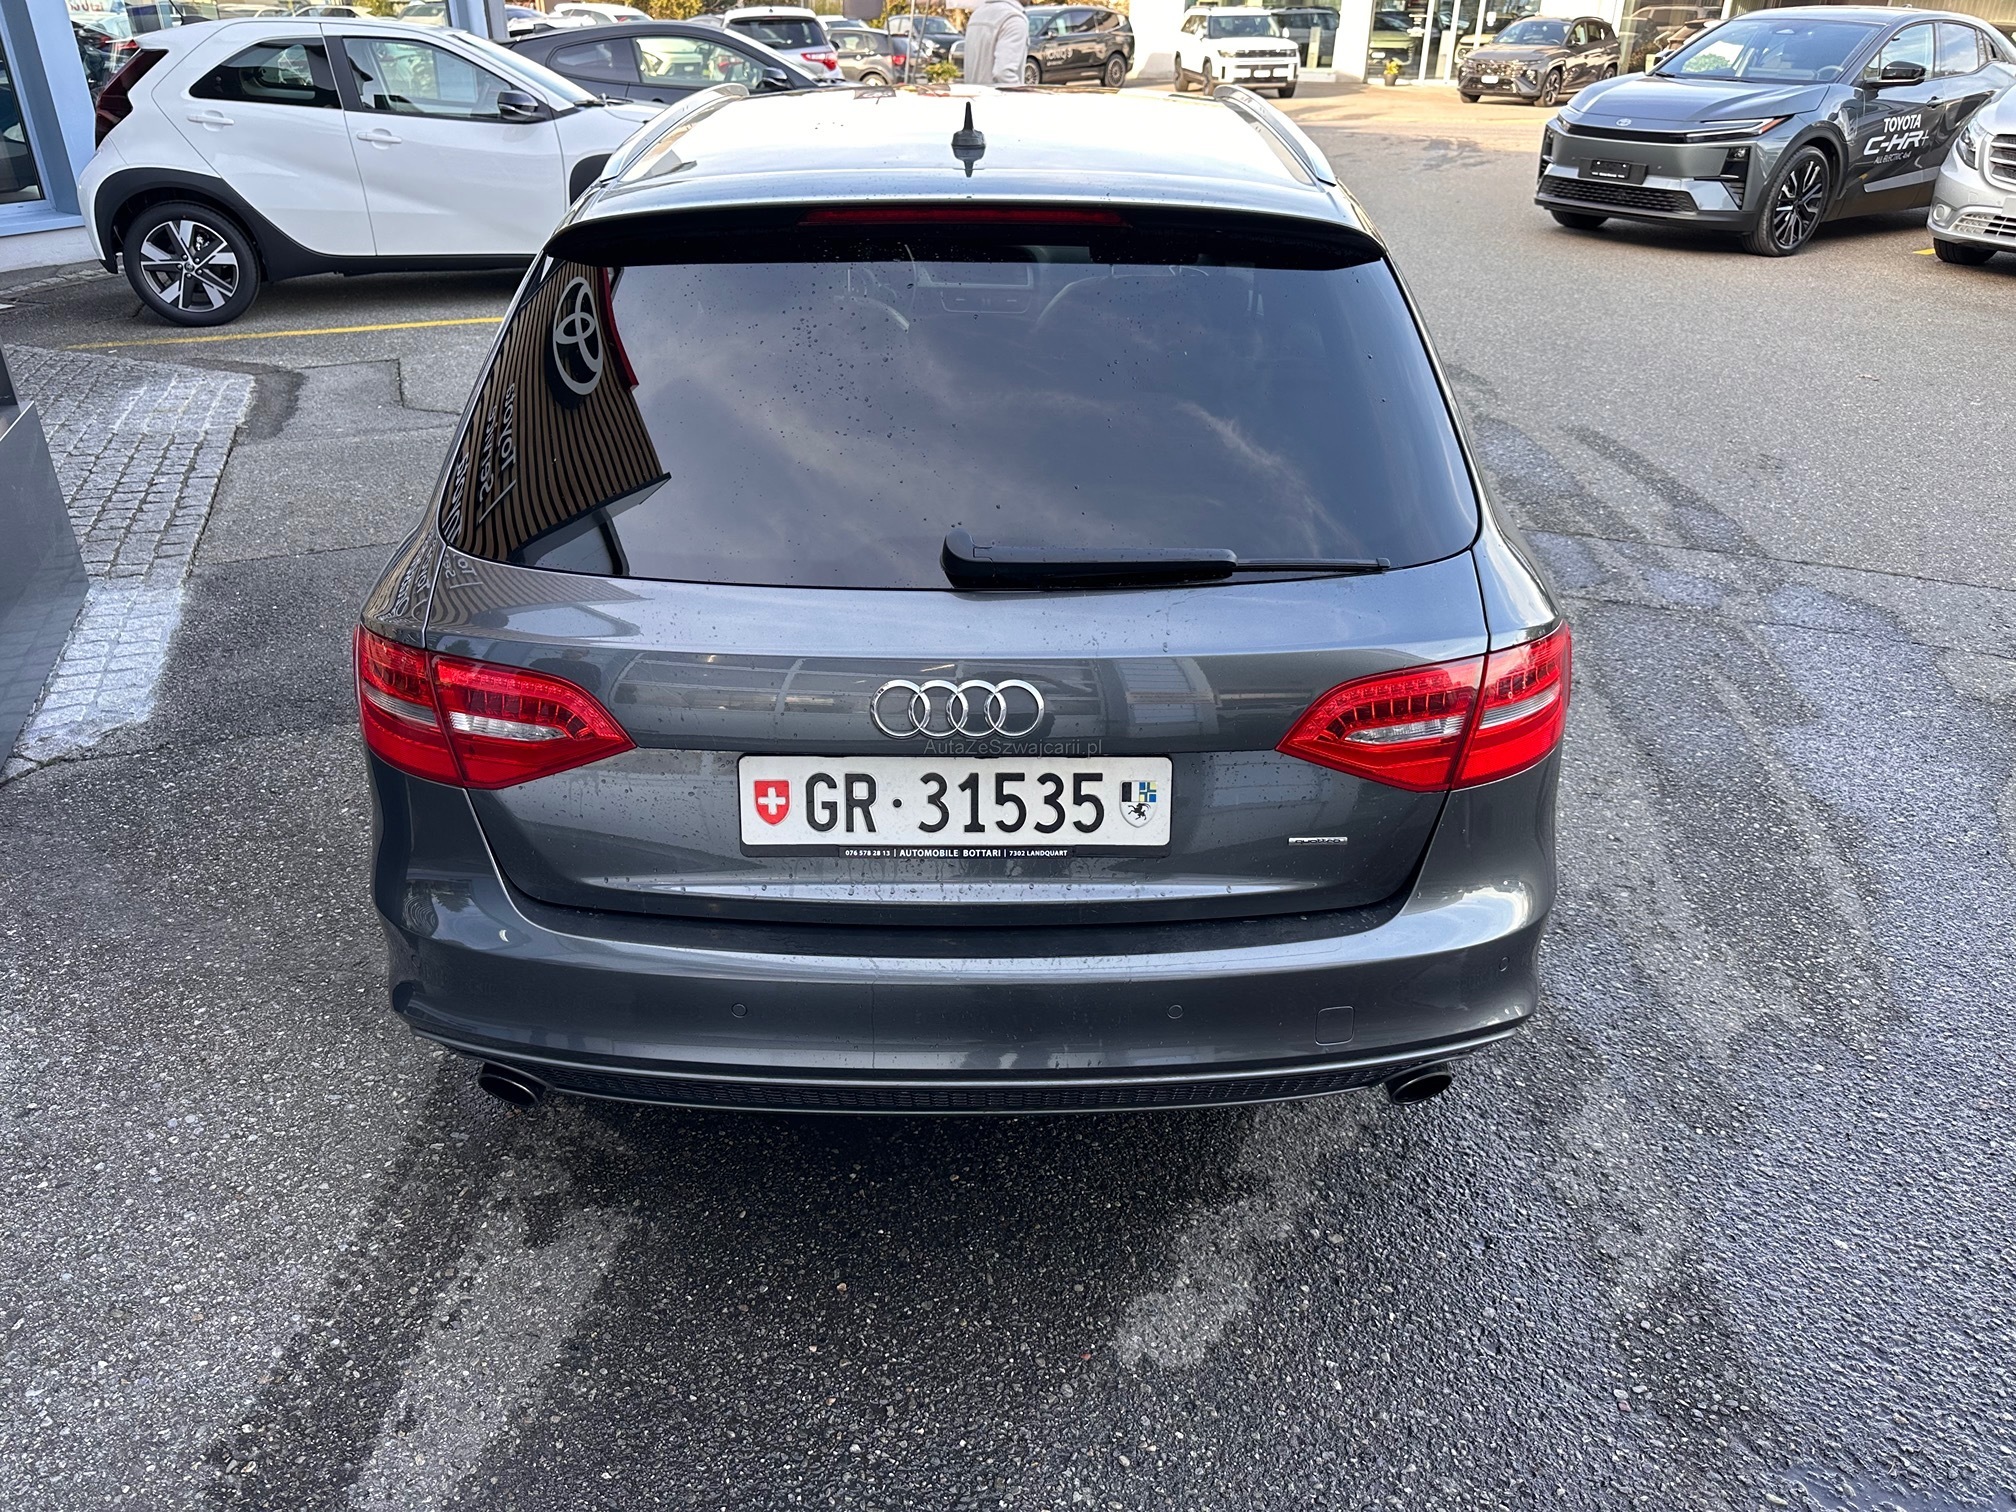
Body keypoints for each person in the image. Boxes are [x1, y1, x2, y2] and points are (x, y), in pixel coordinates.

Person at [963, 0, 1030, 84]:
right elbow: (1003, 72)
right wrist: (1020, 91)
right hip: (998, 92)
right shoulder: (1013, 19)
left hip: (974, 91)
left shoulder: (976, 15)